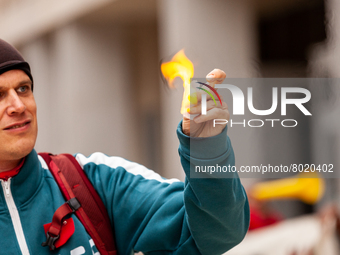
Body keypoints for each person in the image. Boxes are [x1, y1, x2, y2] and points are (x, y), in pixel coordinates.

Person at [0, 38, 249, 255]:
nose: (18, 105)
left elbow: (217, 232)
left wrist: (207, 151)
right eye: (0, 94)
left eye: (23, 89)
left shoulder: (92, 179)